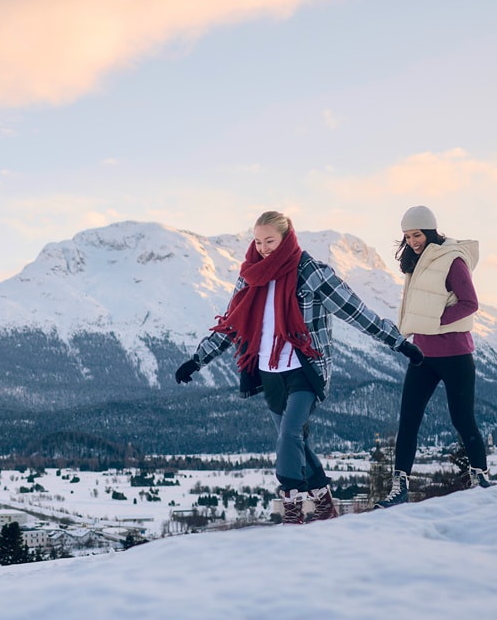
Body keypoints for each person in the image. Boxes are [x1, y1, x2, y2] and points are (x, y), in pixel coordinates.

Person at [175, 211, 420, 523]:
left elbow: (356, 312)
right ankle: (323, 503)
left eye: (270, 241)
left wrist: (399, 343)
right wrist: (197, 360)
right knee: (297, 441)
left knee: (289, 433)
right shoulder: (249, 277)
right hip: (269, 371)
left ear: (286, 238)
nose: (263, 247)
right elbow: (232, 325)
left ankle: (292, 506)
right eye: (258, 241)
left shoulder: (311, 272)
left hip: (305, 369)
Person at [379, 205, 489, 508]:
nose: (413, 241)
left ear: (430, 231)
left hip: (455, 354)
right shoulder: (416, 263)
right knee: (409, 420)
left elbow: (470, 303)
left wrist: (434, 322)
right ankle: (399, 488)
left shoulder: (452, 259)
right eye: (407, 236)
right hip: (423, 355)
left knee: (462, 418)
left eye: (417, 234)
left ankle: (480, 478)